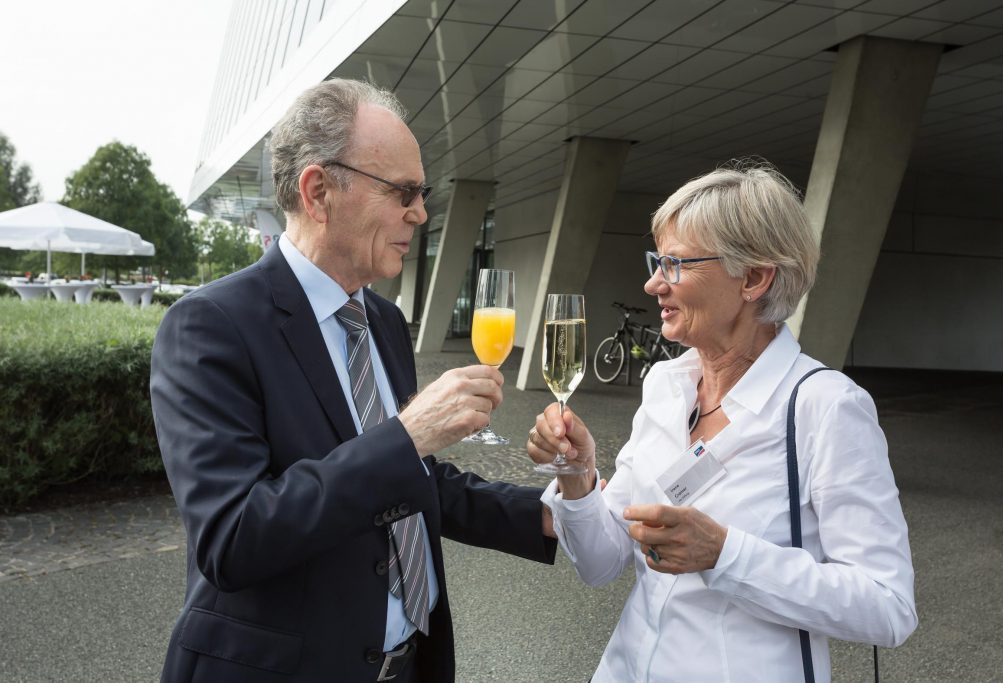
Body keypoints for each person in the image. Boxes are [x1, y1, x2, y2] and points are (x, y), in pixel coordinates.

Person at [150, 78, 556, 683]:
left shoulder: (384, 321)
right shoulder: (210, 326)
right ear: (318, 192)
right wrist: (409, 434)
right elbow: (233, 537)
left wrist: (548, 515)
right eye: (403, 192)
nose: (420, 213)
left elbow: (412, 482)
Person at [527, 162, 917, 681]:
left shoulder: (825, 407)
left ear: (754, 278)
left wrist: (725, 554)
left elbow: (888, 608)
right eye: (656, 260)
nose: (651, 284)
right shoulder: (667, 387)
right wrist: (576, 476)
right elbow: (601, 563)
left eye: (674, 264)